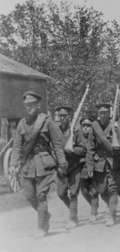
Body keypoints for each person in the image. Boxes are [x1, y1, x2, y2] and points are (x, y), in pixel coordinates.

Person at [11, 91, 67, 237]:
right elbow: (17, 146)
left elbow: (57, 144)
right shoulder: (22, 124)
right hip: (28, 165)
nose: (29, 108)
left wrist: (62, 164)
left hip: (45, 164)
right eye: (27, 105)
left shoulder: (47, 121)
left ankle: (42, 227)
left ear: (38, 105)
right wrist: (13, 163)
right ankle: (45, 215)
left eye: (32, 105)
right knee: (29, 195)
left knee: (41, 195)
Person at [56, 106, 89, 229]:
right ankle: (72, 210)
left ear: (69, 117)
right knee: (60, 193)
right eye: (60, 116)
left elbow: (83, 149)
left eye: (65, 115)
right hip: (61, 167)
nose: (62, 118)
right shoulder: (56, 130)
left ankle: (73, 218)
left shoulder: (76, 131)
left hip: (74, 166)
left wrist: (72, 150)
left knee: (73, 193)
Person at [91, 103, 120, 226]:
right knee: (102, 189)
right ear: (98, 114)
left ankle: (112, 216)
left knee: (112, 189)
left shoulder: (115, 126)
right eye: (101, 113)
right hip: (99, 163)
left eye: (105, 112)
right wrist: (90, 165)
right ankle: (111, 207)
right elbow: (90, 147)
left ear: (109, 113)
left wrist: (118, 148)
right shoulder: (95, 127)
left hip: (113, 162)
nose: (103, 115)